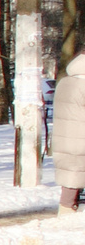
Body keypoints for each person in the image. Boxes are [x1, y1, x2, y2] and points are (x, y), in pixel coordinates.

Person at [55, 52, 83, 214]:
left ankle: (65, 210)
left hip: (65, 137)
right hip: (81, 138)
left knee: (71, 176)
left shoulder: (65, 82)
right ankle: (68, 215)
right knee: (76, 174)